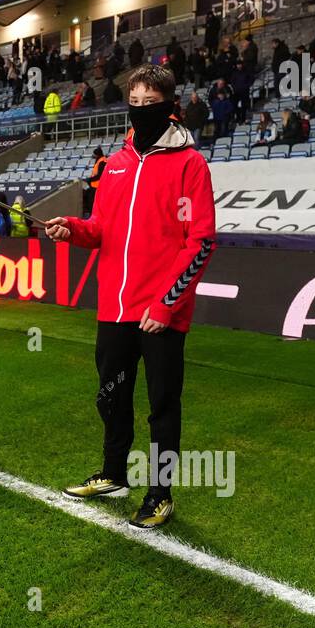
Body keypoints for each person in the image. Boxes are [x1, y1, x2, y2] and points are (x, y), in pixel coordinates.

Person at [43, 65, 216, 530]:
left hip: (160, 313)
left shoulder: (190, 164)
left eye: (150, 104)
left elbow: (199, 242)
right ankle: (114, 474)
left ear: (169, 105)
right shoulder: (114, 164)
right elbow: (100, 228)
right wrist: (73, 229)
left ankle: (160, 494)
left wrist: (166, 304)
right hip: (114, 308)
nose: (141, 111)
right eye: (134, 104)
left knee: (162, 406)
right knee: (110, 398)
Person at [83, 147, 105, 215]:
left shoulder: (102, 161)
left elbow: (100, 175)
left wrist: (89, 179)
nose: (94, 156)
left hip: (97, 186)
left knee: (93, 202)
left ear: (97, 154)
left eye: (95, 154)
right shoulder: (99, 160)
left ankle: (93, 215)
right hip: (94, 185)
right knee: (89, 200)